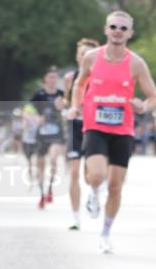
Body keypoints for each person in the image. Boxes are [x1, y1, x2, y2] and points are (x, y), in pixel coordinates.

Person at [67, 10, 156, 253]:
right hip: (95, 125)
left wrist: (143, 106)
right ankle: (93, 192)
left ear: (130, 33)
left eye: (123, 28)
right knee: (96, 175)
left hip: (123, 129)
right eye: (113, 27)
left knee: (116, 186)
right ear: (106, 30)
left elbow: (154, 97)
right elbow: (79, 84)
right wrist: (75, 106)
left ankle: (105, 233)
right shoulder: (91, 58)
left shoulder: (136, 63)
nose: (118, 31)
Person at [63, 38, 99, 230]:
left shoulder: (99, 76)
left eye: (88, 53)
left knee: (90, 175)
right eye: (82, 53)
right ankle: (76, 217)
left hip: (93, 127)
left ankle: (93, 194)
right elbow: (67, 100)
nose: (84, 56)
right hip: (75, 128)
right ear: (77, 57)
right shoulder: (70, 78)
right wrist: (65, 105)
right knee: (74, 172)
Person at [30, 67, 65, 209]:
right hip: (41, 134)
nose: (53, 80)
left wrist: (63, 108)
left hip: (56, 133)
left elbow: (68, 108)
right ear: (45, 79)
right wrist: (36, 118)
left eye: (55, 77)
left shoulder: (61, 94)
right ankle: (42, 194)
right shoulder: (38, 95)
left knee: (53, 159)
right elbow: (28, 111)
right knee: (40, 165)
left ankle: (50, 187)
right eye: (50, 77)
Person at [20, 103, 39, 188]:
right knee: (29, 160)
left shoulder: (37, 119)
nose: (29, 115)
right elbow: (23, 128)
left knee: (34, 158)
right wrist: (26, 120)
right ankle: (31, 175)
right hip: (27, 141)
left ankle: (37, 173)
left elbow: (39, 124)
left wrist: (33, 119)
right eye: (28, 113)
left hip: (35, 141)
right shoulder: (25, 120)